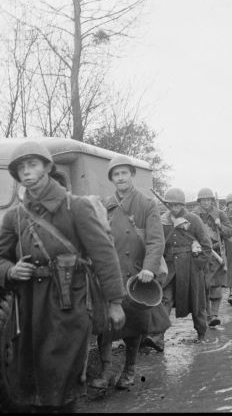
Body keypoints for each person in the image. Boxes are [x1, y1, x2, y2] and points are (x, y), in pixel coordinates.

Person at [0, 141, 126, 412]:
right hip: (29, 308)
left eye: (32, 164)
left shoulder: (76, 207)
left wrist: (115, 301)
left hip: (69, 303)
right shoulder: (14, 216)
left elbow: (104, 255)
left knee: (62, 380)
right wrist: (10, 270)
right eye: (20, 168)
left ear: (47, 167)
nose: (26, 172)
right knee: (34, 381)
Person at [92, 155, 168, 393]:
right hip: (110, 273)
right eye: (116, 174)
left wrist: (148, 268)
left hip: (136, 275)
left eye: (124, 173)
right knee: (105, 325)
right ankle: (105, 372)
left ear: (132, 175)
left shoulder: (146, 203)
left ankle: (129, 370)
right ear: (112, 179)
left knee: (134, 327)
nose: (121, 178)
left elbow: (156, 241)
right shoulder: (105, 204)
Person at [143, 188, 212, 351]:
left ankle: (202, 334)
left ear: (183, 204)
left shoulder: (193, 219)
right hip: (169, 268)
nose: (174, 208)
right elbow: (158, 244)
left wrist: (197, 265)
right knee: (163, 300)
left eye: (177, 205)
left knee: (197, 303)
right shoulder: (162, 221)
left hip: (190, 268)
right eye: (170, 205)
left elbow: (206, 246)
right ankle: (158, 338)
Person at [193, 188, 232, 327]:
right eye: (203, 200)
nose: (205, 203)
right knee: (203, 286)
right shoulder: (194, 215)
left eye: (208, 200)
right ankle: (207, 315)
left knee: (216, 285)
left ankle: (214, 315)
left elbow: (230, 231)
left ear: (212, 201)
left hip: (217, 254)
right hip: (200, 254)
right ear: (199, 201)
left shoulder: (219, 214)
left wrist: (219, 225)